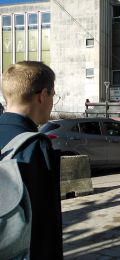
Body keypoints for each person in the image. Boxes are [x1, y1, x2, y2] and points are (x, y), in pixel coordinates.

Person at [0, 61, 63, 259]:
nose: (53, 101)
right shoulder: (34, 145)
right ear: (43, 95)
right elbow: (44, 227)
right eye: (53, 95)